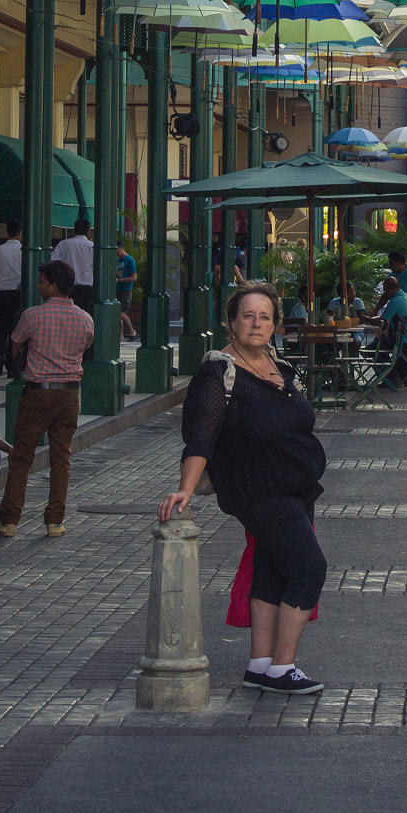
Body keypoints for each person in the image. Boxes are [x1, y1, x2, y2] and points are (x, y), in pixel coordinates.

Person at [159, 282, 329, 695]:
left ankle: (260, 665)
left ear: (275, 324)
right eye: (248, 316)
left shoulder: (281, 368)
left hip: (297, 489)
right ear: (232, 322)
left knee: (271, 573)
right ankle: (283, 667)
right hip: (259, 492)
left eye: (265, 316)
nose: (256, 323)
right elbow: (201, 436)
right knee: (309, 570)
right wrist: (184, 488)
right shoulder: (218, 373)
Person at [0, 259, 94, 538]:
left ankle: (10, 521)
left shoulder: (33, 316)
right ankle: (54, 522)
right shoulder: (85, 318)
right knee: (61, 458)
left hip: (39, 393)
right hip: (70, 394)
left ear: (53, 286)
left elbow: (14, 344)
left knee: (21, 457)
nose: (38, 286)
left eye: (41, 282)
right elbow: (86, 347)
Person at [0, 221, 24, 380]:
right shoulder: (24, 250)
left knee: (0, 330)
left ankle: (0, 355)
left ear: (7, 233)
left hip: (0, 294)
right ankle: (12, 363)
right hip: (18, 294)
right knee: (16, 330)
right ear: (20, 233)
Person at [376, 276, 407, 390]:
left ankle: (390, 377)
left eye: (385, 290)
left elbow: (382, 320)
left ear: (389, 289)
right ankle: (401, 377)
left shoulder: (396, 301)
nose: (385, 294)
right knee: (383, 344)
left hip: (404, 340)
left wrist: (365, 318)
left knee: (375, 347)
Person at [53, 220, 97, 312]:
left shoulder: (64, 244)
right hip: (86, 288)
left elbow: (53, 261)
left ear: (74, 230)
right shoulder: (92, 247)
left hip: (68, 287)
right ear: (88, 231)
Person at [116, 241, 139, 339]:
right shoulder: (117, 260)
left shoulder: (130, 260)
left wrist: (120, 280)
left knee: (121, 312)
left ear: (121, 248)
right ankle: (121, 336)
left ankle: (131, 330)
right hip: (117, 289)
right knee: (118, 314)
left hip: (126, 289)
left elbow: (134, 277)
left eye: (117, 250)